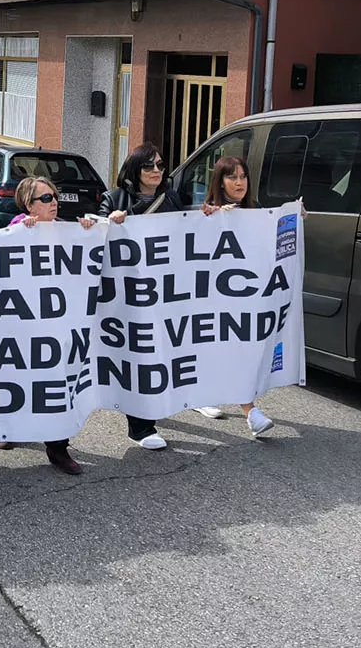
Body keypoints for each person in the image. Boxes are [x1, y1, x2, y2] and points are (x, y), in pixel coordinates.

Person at [0, 175, 96, 475]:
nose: (54, 203)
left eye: (55, 197)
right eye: (46, 198)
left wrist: (87, 232)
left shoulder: (66, 230)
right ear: (29, 205)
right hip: (22, 321)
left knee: (56, 381)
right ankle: (7, 428)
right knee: (18, 377)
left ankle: (57, 446)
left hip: (56, 321)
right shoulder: (16, 229)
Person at [97, 143, 182, 451]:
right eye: (149, 166)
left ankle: (152, 407)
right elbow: (95, 241)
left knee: (160, 352)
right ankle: (140, 426)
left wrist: (211, 216)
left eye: (160, 165)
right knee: (137, 354)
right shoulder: (113, 199)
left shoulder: (173, 199)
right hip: (128, 296)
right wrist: (113, 221)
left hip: (163, 293)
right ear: (134, 170)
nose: (157, 171)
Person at [193, 156, 276, 439]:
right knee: (219, 347)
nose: (239, 182)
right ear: (220, 181)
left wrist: (293, 220)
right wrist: (212, 218)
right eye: (232, 177)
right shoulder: (207, 213)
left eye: (243, 176)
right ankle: (249, 410)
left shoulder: (257, 212)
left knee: (240, 348)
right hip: (214, 297)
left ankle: (246, 408)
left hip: (245, 297)